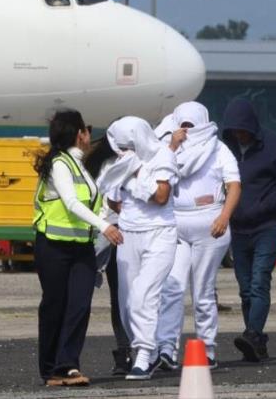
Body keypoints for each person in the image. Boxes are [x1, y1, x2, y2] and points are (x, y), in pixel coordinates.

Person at [32, 109, 123, 386]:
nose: (89, 134)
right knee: (55, 306)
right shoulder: (60, 164)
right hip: (53, 247)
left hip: (82, 247)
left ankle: (68, 365)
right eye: (87, 129)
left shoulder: (81, 165)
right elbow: (71, 202)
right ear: (79, 134)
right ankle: (50, 370)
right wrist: (104, 226)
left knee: (79, 305)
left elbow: (92, 200)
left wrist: (111, 211)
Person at [154, 102, 241, 370]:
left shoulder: (218, 148)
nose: (188, 129)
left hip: (210, 223)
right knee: (171, 289)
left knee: (203, 292)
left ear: (204, 122)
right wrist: (171, 146)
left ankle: (207, 349)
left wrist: (224, 217)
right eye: (184, 124)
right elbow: (157, 175)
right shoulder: (167, 148)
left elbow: (234, 184)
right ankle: (166, 349)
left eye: (193, 124)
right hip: (176, 224)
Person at [100, 116, 179, 380]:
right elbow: (112, 200)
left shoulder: (163, 158)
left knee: (142, 296)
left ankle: (143, 355)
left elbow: (160, 197)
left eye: (127, 146)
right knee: (125, 304)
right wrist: (130, 209)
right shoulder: (121, 161)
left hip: (160, 234)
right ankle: (150, 348)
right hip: (128, 235)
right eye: (120, 147)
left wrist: (134, 177)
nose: (123, 152)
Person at [220, 97, 276, 362]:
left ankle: (252, 333)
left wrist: (263, 207)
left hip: (268, 226)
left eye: (243, 129)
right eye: (234, 130)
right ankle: (257, 343)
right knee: (244, 288)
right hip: (238, 229)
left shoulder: (275, 145)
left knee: (259, 281)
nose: (239, 135)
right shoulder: (224, 148)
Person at [84, 134, 132, 376]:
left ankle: (134, 350)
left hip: (127, 235)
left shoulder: (137, 160)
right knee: (121, 297)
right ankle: (126, 350)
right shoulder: (105, 164)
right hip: (114, 235)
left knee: (127, 297)